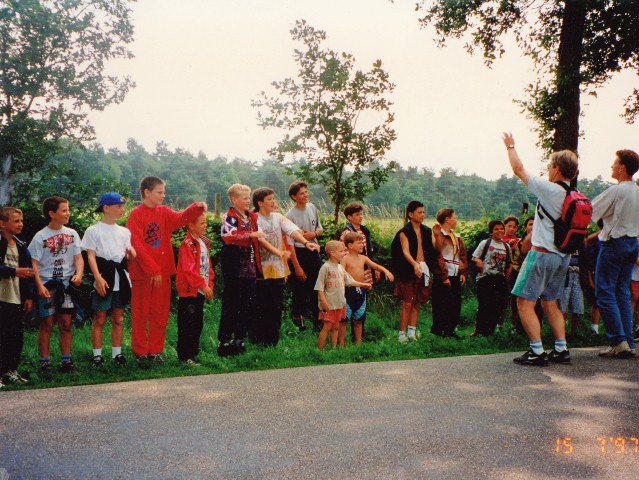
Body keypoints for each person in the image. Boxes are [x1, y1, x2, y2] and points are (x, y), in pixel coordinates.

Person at [503, 132, 576, 366]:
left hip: (542, 255)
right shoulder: (573, 195)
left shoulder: (550, 189)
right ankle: (561, 349)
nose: (548, 169)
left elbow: (518, 169)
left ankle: (536, 351)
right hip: (562, 258)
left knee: (524, 302)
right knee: (550, 302)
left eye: (550, 165)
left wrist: (510, 146)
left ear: (557, 169)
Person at [126, 176, 206, 363]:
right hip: (143, 273)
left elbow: (181, 218)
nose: (163, 195)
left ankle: (155, 351)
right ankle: (140, 352)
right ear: (147, 192)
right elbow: (136, 243)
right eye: (160, 192)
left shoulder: (163, 212)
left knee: (160, 314)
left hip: (162, 272)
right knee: (141, 314)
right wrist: (152, 269)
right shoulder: (136, 214)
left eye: (164, 192)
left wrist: (196, 208)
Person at [251, 187, 319, 346]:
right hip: (260, 270)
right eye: (269, 199)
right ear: (260, 203)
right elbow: (261, 240)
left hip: (278, 270)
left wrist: (306, 242)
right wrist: (279, 253)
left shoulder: (278, 217)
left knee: (275, 307)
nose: (273, 202)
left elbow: (292, 230)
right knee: (260, 306)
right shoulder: (254, 219)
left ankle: (272, 342)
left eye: (273, 198)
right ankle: (257, 341)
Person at [591, 149, 639, 357]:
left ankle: (618, 341)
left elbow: (591, 210)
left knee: (604, 292)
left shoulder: (616, 191)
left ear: (622, 167)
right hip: (633, 243)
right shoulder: (637, 191)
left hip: (614, 243)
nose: (612, 166)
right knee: (622, 292)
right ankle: (628, 340)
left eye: (615, 163)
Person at [29, 196, 84, 373]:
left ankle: (66, 361)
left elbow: (78, 258)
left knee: (66, 323)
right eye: (64, 210)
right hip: (47, 284)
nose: (68, 213)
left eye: (68, 210)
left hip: (65, 285)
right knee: (47, 323)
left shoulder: (72, 234)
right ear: (52, 213)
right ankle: (44, 363)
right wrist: (39, 285)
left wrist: (79, 274)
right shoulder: (40, 236)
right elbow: (34, 264)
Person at [82, 192, 136, 367]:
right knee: (100, 318)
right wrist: (97, 278)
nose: (122, 210)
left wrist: (131, 254)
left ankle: (116, 354)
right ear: (106, 208)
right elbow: (90, 256)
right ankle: (97, 355)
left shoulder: (124, 231)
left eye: (122, 206)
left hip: (121, 277)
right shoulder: (93, 230)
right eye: (118, 206)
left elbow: (130, 255)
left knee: (118, 318)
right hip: (104, 276)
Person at [218, 184, 266, 356]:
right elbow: (228, 236)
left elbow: (259, 237)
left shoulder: (252, 217)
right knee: (231, 302)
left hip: (249, 263)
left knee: (247, 302)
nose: (248, 201)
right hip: (233, 262)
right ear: (234, 200)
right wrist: (250, 235)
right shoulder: (229, 217)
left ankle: (239, 338)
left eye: (248, 197)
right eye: (245, 198)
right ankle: (224, 339)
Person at [390, 200, 436, 343]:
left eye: (423, 212)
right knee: (407, 303)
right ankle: (401, 334)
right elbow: (405, 252)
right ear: (410, 214)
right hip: (408, 270)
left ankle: (412, 332)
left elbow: (435, 248)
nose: (423, 215)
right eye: (419, 212)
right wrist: (415, 264)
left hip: (424, 268)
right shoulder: (405, 231)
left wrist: (438, 234)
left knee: (417, 302)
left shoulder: (427, 231)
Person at [314, 240, 371, 350]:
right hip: (328, 304)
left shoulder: (340, 267)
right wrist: (324, 302)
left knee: (336, 327)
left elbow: (350, 281)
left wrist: (363, 285)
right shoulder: (325, 267)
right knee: (327, 327)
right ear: (332, 253)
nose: (344, 253)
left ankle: (334, 349)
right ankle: (319, 350)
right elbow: (319, 288)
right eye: (341, 251)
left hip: (339, 303)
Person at [0, 207, 34, 386]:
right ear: (2, 224)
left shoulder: (21, 246)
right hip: (1, 297)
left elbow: (28, 273)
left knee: (14, 336)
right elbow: (17, 271)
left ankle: (10, 371)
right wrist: (14, 271)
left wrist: (29, 296)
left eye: (21, 221)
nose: (21, 224)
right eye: (16, 221)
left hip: (15, 297)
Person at [341, 232, 393, 346]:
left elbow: (376, 266)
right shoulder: (345, 259)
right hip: (348, 291)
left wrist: (386, 271)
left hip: (361, 291)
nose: (362, 245)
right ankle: (341, 345)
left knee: (359, 318)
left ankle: (358, 345)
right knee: (344, 319)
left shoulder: (363, 258)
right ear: (350, 245)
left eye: (362, 242)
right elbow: (341, 274)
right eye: (359, 243)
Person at [176, 213, 214, 364]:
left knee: (197, 324)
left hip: (200, 291)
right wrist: (203, 285)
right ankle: (185, 356)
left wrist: (209, 285)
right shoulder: (187, 244)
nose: (205, 225)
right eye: (202, 223)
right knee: (188, 325)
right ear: (191, 226)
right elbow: (188, 270)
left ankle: (193, 354)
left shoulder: (203, 243)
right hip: (189, 292)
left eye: (205, 222)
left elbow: (208, 268)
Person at [286, 181, 323, 331]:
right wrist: (297, 267)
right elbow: (290, 244)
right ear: (294, 196)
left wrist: (313, 234)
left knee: (316, 287)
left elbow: (319, 228)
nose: (306, 195)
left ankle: (318, 320)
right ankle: (298, 321)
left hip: (313, 251)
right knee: (299, 288)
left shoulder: (312, 207)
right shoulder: (289, 215)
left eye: (306, 192)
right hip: (299, 253)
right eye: (302, 193)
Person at [471, 220, 512, 336]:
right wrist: (478, 262)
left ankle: (490, 331)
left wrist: (508, 272)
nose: (499, 231)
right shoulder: (485, 243)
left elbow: (509, 262)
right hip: (485, 277)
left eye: (501, 229)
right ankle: (479, 331)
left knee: (497, 306)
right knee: (484, 305)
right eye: (496, 229)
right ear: (491, 232)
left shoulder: (506, 246)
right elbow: (474, 257)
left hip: (499, 279)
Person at [431, 208, 467, 338]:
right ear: (447, 219)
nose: (456, 220)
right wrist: (443, 276)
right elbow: (437, 256)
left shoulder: (456, 237)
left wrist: (462, 272)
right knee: (441, 303)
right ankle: (439, 331)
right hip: (443, 275)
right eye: (454, 217)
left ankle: (450, 330)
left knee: (455, 304)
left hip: (455, 274)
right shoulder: (437, 235)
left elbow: (462, 256)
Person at [510, 216, 543, 334]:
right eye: (530, 224)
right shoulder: (520, 243)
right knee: (521, 303)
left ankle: (536, 330)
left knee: (538, 305)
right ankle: (519, 329)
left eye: (535, 224)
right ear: (525, 228)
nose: (533, 227)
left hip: (538, 277)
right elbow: (516, 262)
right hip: (522, 275)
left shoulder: (542, 243)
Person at [557, 250, 585, 340]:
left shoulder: (581, 246)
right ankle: (561, 334)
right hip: (564, 276)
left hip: (577, 276)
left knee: (579, 309)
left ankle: (573, 333)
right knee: (562, 308)